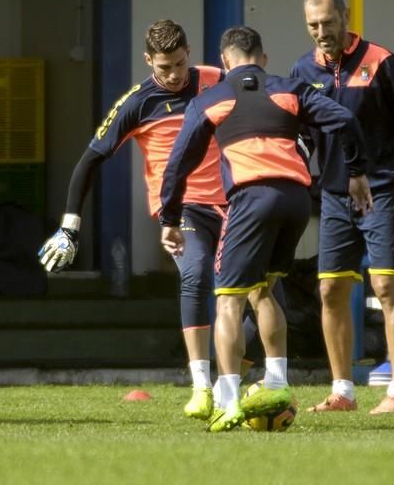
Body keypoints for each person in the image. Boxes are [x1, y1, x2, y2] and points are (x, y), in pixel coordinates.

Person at [158, 25, 370, 432]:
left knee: (228, 301)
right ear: (264, 58)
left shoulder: (211, 99)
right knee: (266, 287)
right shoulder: (291, 89)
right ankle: (276, 382)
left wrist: (170, 219)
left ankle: (230, 398)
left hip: (251, 198)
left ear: (224, 62)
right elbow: (344, 119)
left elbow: (177, 165)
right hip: (294, 199)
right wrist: (356, 172)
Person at [38, 19, 240, 420]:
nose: (174, 75)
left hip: (236, 204)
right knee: (196, 274)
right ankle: (201, 385)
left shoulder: (218, 80)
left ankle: (228, 385)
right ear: (149, 60)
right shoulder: (137, 102)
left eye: (180, 64)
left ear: (189, 54)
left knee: (259, 295)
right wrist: (69, 225)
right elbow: (89, 160)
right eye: (164, 68)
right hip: (182, 210)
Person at [291, 0, 394, 414]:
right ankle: (343, 391)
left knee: (387, 286)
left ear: (346, 17)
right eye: (313, 25)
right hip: (334, 196)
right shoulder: (301, 70)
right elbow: (300, 131)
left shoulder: (383, 62)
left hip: (385, 191)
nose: (321, 32)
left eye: (328, 22)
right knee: (330, 289)